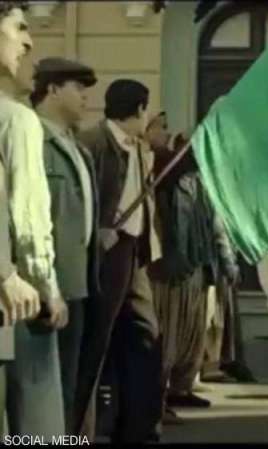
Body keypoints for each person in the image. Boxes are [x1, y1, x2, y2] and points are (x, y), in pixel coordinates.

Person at [73, 79, 163, 443]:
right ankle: (77, 431)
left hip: (135, 253)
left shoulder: (140, 148)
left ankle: (138, 429)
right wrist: (97, 232)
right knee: (96, 343)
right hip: (105, 255)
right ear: (140, 109)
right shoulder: (92, 143)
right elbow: (77, 199)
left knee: (146, 336)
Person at [0, 2, 71, 438]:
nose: (29, 42)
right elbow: (28, 220)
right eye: (19, 28)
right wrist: (48, 289)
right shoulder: (17, 120)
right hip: (19, 300)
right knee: (37, 428)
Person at [31, 57, 100, 434]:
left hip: (78, 285)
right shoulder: (31, 139)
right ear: (53, 89)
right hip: (46, 287)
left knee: (68, 388)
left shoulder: (76, 146)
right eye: (78, 88)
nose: (86, 97)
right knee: (41, 396)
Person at [146, 112, 215, 424]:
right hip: (168, 268)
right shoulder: (159, 166)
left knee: (190, 334)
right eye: (161, 127)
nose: (165, 132)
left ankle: (179, 389)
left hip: (193, 263)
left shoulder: (192, 177)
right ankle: (155, 401)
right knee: (167, 337)